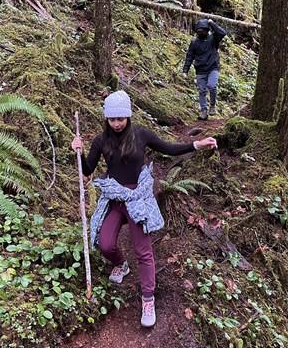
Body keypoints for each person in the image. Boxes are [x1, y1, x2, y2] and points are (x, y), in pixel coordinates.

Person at [71, 90, 216, 328]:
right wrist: (77, 151)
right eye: (112, 119)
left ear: (128, 116)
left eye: (121, 118)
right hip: (114, 197)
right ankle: (121, 264)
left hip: (138, 199)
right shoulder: (101, 141)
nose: (116, 123)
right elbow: (87, 170)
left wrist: (197, 145)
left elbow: (169, 148)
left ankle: (148, 298)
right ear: (106, 118)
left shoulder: (141, 135)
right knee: (104, 243)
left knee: (143, 251)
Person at [182, 19, 227, 120]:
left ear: (207, 30)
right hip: (201, 70)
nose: (201, 32)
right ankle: (203, 111)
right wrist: (185, 71)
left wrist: (211, 23)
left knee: (212, 85)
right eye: (199, 31)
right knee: (202, 91)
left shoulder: (213, 38)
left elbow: (222, 33)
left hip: (213, 68)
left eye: (202, 30)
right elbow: (189, 56)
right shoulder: (194, 42)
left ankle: (212, 105)